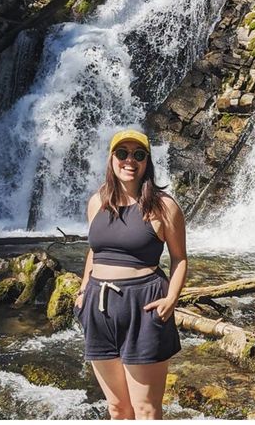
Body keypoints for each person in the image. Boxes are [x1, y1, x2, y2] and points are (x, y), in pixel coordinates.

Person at [75, 129, 187, 420]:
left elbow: (179, 258)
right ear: (111, 158)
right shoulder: (97, 201)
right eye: (122, 153)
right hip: (99, 306)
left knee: (146, 410)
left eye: (138, 155)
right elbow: (94, 250)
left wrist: (171, 299)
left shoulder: (164, 206)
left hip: (143, 305)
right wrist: (83, 291)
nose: (129, 160)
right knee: (117, 408)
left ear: (147, 162)